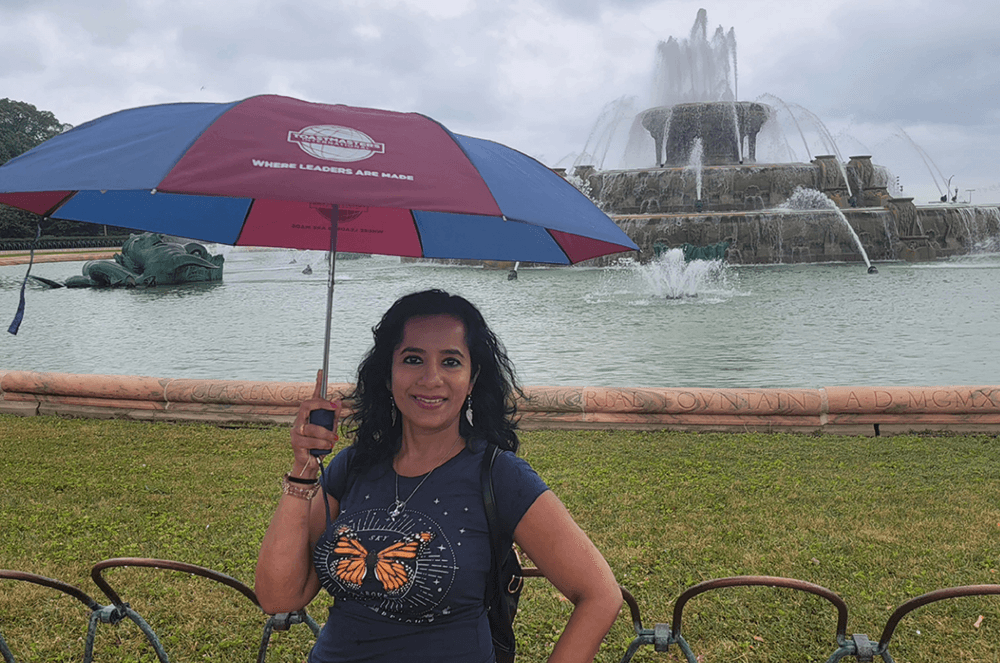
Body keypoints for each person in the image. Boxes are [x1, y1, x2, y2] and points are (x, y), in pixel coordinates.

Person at [255, 289, 622, 662]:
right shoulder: (353, 468)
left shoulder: (499, 475)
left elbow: (600, 593)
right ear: (388, 374)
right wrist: (303, 469)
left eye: (450, 361)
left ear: (472, 378)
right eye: (413, 359)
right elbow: (280, 595)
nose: (431, 379)